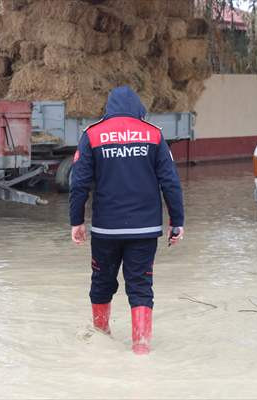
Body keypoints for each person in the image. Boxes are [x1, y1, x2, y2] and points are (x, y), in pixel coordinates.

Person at [69, 86, 184, 355]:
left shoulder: (92, 134)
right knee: (141, 286)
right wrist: (177, 222)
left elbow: (79, 183)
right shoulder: (154, 135)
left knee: (101, 282)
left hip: (105, 229)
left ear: (108, 108)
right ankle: (141, 349)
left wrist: (77, 221)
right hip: (145, 230)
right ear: (139, 108)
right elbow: (171, 182)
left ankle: (101, 337)